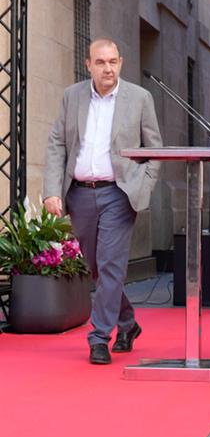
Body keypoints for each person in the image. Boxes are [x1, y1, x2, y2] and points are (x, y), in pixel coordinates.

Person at [43, 38, 162, 364]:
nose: (107, 68)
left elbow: (154, 149)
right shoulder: (73, 96)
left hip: (118, 194)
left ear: (120, 63)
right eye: (100, 62)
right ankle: (127, 322)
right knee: (97, 268)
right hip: (79, 193)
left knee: (111, 265)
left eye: (112, 62)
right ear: (89, 65)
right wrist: (52, 190)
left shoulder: (139, 98)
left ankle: (99, 337)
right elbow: (57, 145)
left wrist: (144, 187)